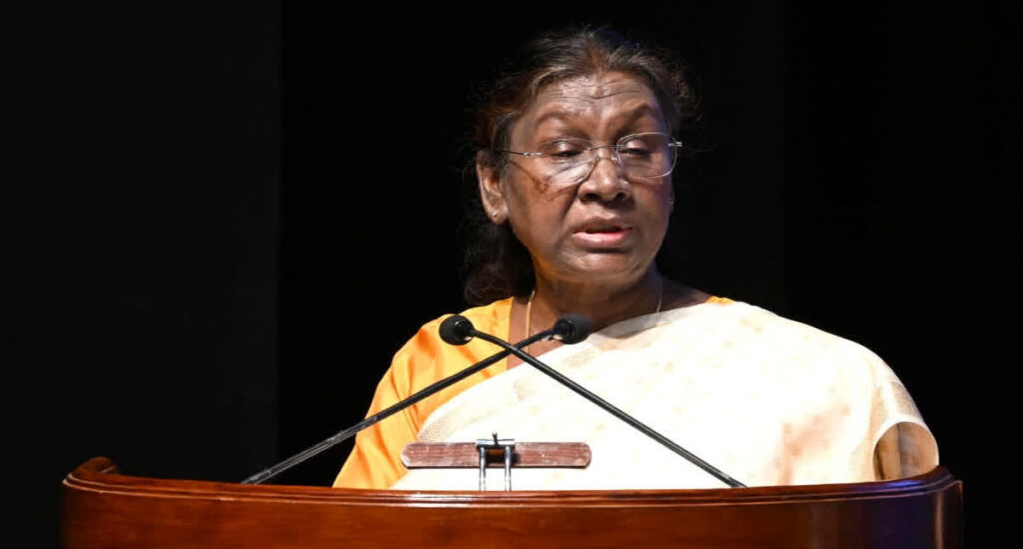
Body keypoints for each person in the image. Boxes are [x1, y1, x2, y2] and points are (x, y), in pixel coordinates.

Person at [332, 26, 938, 491]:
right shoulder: (443, 360)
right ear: (494, 187)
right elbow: (358, 532)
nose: (607, 182)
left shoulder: (815, 376)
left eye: (639, 149)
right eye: (564, 150)